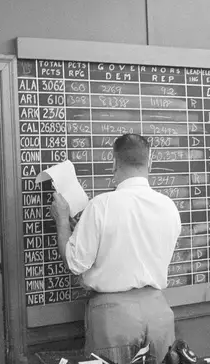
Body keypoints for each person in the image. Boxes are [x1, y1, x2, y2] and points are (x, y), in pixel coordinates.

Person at [51, 133, 181, 360]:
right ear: (150, 162)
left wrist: (62, 221)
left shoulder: (101, 206)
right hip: (159, 312)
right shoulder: (169, 207)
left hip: (113, 318)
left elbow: (74, 262)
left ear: (114, 162)